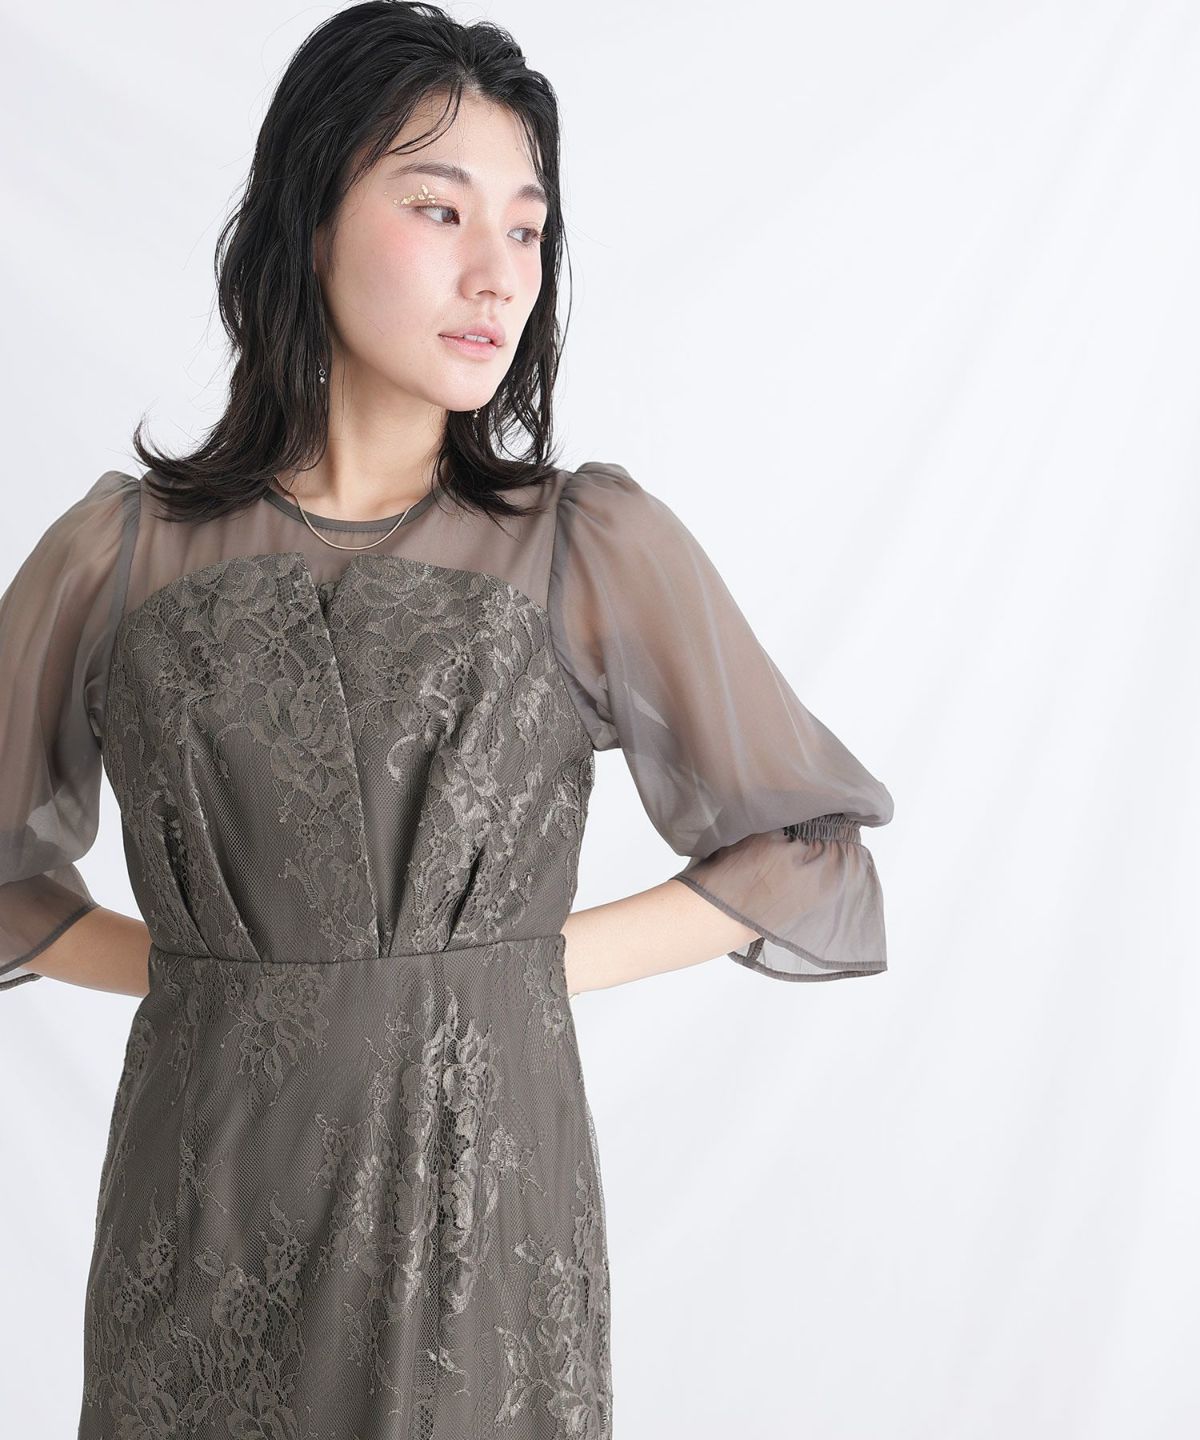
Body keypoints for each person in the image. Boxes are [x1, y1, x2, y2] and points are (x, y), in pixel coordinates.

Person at [0, 3, 894, 1434]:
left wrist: (502, 969)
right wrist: (208, 972)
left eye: (528, 229)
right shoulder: (119, 554)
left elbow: (807, 848)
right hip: (202, 1221)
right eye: (440, 208)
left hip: (476, 1232)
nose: (498, 272)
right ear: (309, 221)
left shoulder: (587, 546)